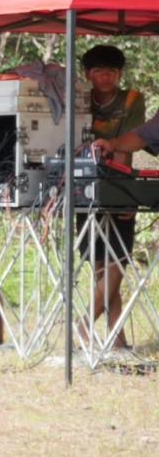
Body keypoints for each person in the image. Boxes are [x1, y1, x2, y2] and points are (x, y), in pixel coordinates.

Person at [73, 45, 146, 351]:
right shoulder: (78, 97)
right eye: (99, 71)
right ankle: (118, 339)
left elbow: (128, 146)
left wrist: (120, 189)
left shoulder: (132, 99)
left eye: (112, 72)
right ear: (88, 74)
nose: (106, 77)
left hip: (117, 181)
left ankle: (84, 324)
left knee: (118, 259)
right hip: (82, 182)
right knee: (100, 263)